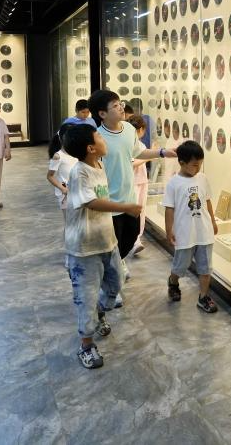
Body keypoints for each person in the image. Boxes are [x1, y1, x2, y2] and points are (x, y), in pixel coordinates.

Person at [60, 123, 143, 369]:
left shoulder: (100, 164)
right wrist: (126, 207)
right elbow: (92, 202)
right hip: (84, 248)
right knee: (85, 297)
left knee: (116, 283)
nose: (104, 139)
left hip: (107, 241)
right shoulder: (80, 172)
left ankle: (99, 314)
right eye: (99, 137)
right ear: (91, 148)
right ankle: (86, 345)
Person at [89, 90, 176, 295]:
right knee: (111, 246)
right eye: (115, 106)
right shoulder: (97, 137)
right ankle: (109, 287)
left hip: (129, 199)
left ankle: (116, 265)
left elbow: (138, 152)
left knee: (130, 237)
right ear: (102, 114)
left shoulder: (128, 128)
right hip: (110, 203)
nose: (121, 107)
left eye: (120, 103)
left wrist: (162, 152)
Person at [163, 140, 218, 312]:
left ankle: (203, 297)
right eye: (195, 164)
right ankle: (173, 282)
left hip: (204, 232)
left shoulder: (202, 178)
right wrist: (169, 230)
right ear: (182, 162)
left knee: (205, 268)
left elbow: (207, 201)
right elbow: (169, 209)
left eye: (200, 164)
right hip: (185, 233)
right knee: (181, 266)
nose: (198, 168)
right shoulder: (173, 183)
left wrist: (213, 221)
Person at [126, 114, 150, 256]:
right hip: (132, 182)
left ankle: (137, 239)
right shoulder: (130, 144)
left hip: (142, 181)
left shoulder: (141, 145)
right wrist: (149, 157)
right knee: (134, 211)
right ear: (141, 129)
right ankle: (133, 241)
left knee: (141, 211)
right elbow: (132, 163)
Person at [47, 122, 78, 217]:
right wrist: (63, 188)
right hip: (66, 194)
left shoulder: (78, 153)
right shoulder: (58, 156)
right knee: (69, 222)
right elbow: (50, 176)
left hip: (78, 191)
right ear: (62, 139)